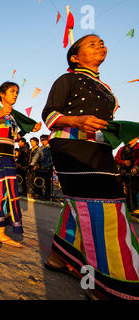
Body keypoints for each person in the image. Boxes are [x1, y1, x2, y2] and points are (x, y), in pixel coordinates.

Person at [42, 34, 139, 300]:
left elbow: (104, 124)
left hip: (101, 149)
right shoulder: (67, 79)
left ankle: (58, 259)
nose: (100, 46)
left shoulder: (107, 89)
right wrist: (79, 120)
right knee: (107, 209)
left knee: (80, 205)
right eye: (92, 43)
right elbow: (50, 115)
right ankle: (113, 286)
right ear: (75, 57)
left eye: (102, 42)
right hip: (72, 147)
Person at [0, 81, 41, 251]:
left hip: (7, 157)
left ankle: (0, 232)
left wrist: (30, 130)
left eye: (17, 92)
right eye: (12, 91)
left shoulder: (12, 115)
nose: (15, 94)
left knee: (7, 193)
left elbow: (13, 136)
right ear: (1, 94)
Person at [115, 137, 139, 215]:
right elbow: (116, 159)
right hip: (124, 173)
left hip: (136, 174)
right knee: (125, 191)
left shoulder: (138, 147)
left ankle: (135, 208)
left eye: (133, 137)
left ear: (136, 138)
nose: (130, 139)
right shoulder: (122, 148)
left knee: (134, 190)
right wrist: (123, 162)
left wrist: (136, 166)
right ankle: (129, 209)